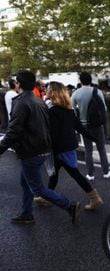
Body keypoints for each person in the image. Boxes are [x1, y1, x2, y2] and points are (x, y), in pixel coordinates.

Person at [0, 70, 80, 224]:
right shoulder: (38, 101)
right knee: (25, 182)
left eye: (16, 82)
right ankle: (26, 214)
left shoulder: (21, 102)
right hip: (42, 149)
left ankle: (69, 206)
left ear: (19, 84)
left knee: (38, 189)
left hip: (31, 151)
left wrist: (1, 148)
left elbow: (14, 130)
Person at [34, 81, 103, 211]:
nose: (46, 91)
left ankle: (95, 198)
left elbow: (52, 133)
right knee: (55, 174)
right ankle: (47, 197)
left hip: (59, 149)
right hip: (68, 146)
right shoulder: (68, 110)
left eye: (48, 89)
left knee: (74, 174)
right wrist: (95, 139)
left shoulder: (52, 110)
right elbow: (79, 127)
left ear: (53, 92)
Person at [71, 72, 110, 180]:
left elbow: (73, 111)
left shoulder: (76, 93)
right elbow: (104, 109)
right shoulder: (97, 91)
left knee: (88, 150)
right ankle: (106, 172)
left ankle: (90, 174)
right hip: (97, 125)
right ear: (90, 80)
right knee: (101, 149)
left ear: (80, 81)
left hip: (84, 126)